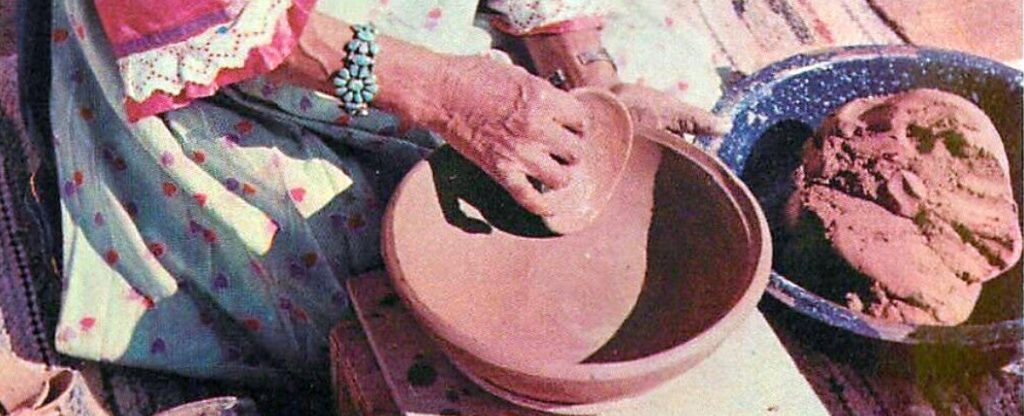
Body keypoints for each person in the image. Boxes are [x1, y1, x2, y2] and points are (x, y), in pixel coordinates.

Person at [40, 0, 729, 386]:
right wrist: (444, 94)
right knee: (367, 296)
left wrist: (584, 72)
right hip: (244, 43)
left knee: (676, 82)